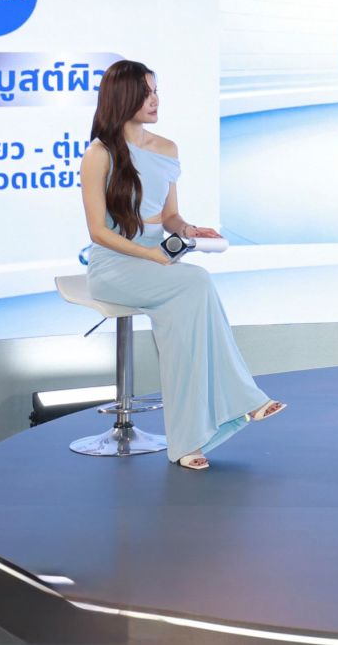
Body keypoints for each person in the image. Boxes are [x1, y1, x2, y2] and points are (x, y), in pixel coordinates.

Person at [80, 60, 283, 470]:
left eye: (156, 91)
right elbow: (98, 232)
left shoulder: (167, 148)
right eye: (145, 93)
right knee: (196, 282)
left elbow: (170, 216)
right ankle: (244, 400)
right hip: (115, 265)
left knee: (183, 332)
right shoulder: (99, 154)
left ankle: (188, 443)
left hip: (159, 264)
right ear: (123, 97)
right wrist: (153, 256)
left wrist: (190, 230)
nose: (155, 100)